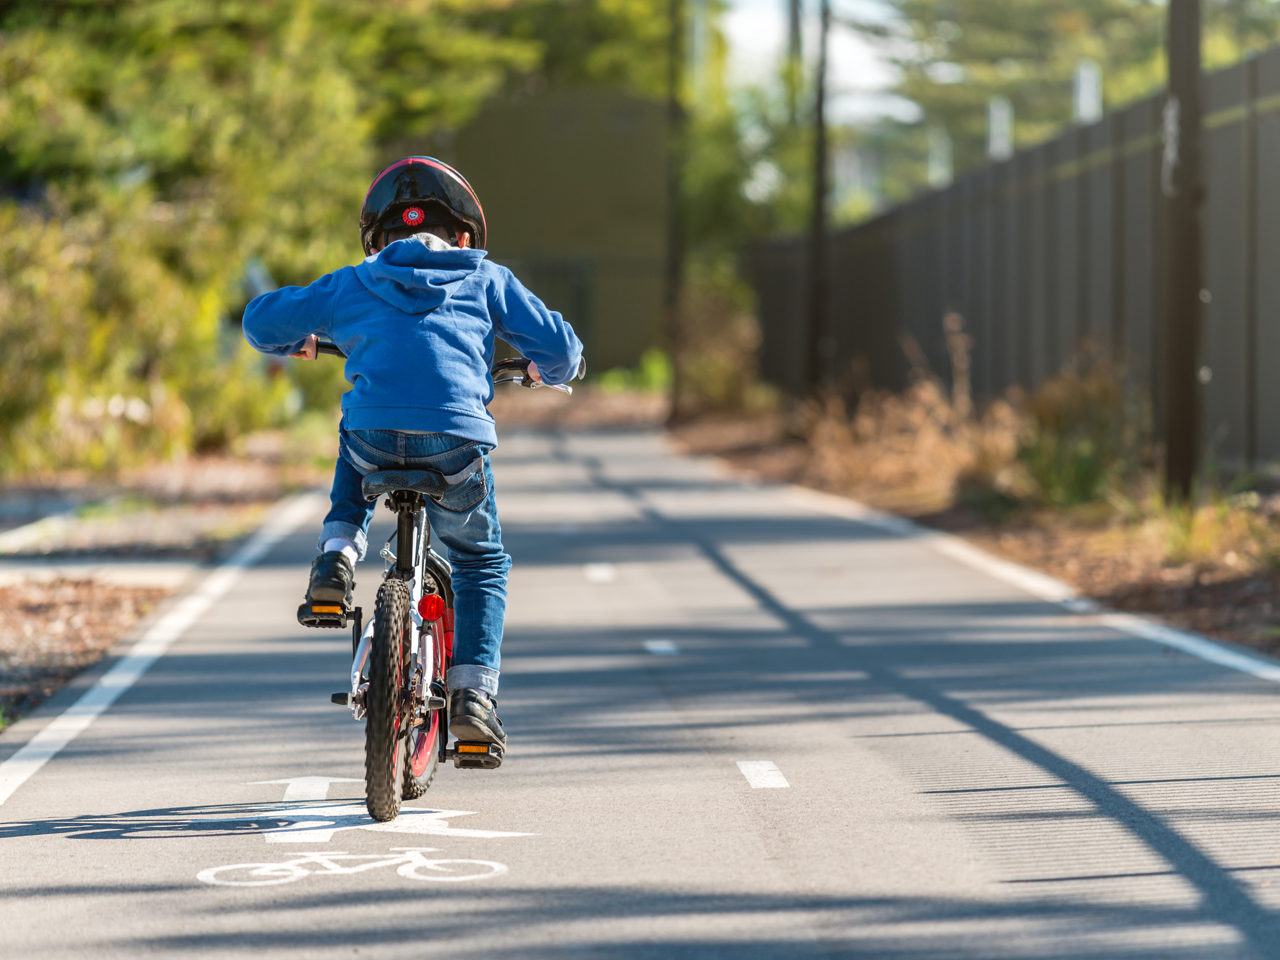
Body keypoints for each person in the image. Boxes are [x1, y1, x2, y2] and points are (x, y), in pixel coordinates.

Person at [241, 156, 583, 750]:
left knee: (356, 436)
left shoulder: (354, 282)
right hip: (456, 445)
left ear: (379, 239)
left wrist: (302, 338)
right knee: (480, 563)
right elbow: (564, 350)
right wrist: (541, 369)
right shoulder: (487, 277)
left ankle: (337, 556)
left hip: (374, 442)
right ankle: (473, 697)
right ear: (466, 236)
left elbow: (259, 321)